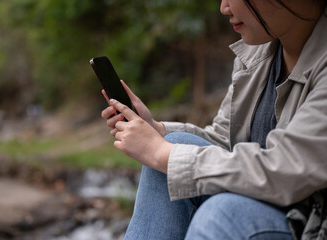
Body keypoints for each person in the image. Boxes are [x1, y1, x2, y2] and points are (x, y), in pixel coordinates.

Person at [101, 0, 327, 239]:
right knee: (174, 146)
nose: (224, 7)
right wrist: (157, 132)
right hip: (267, 202)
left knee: (221, 215)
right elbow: (226, 143)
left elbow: (287, 170)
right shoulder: (257, 53)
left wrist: (162, 153)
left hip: (310, 225)